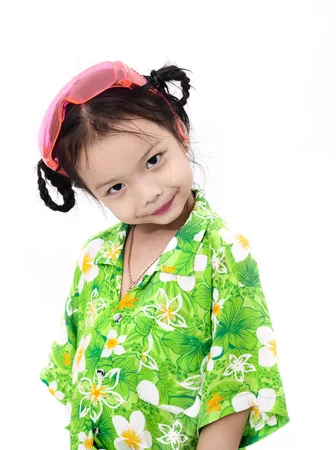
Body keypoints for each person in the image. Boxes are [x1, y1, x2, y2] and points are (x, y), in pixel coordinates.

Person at [35, 61, 289, 450]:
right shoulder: (94, 257)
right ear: (91, 192)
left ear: (178, 130)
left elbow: (234, 386)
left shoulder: (222, 251)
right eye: (116, 187)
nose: (148, 192)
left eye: (153, 161)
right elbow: (78, 379)